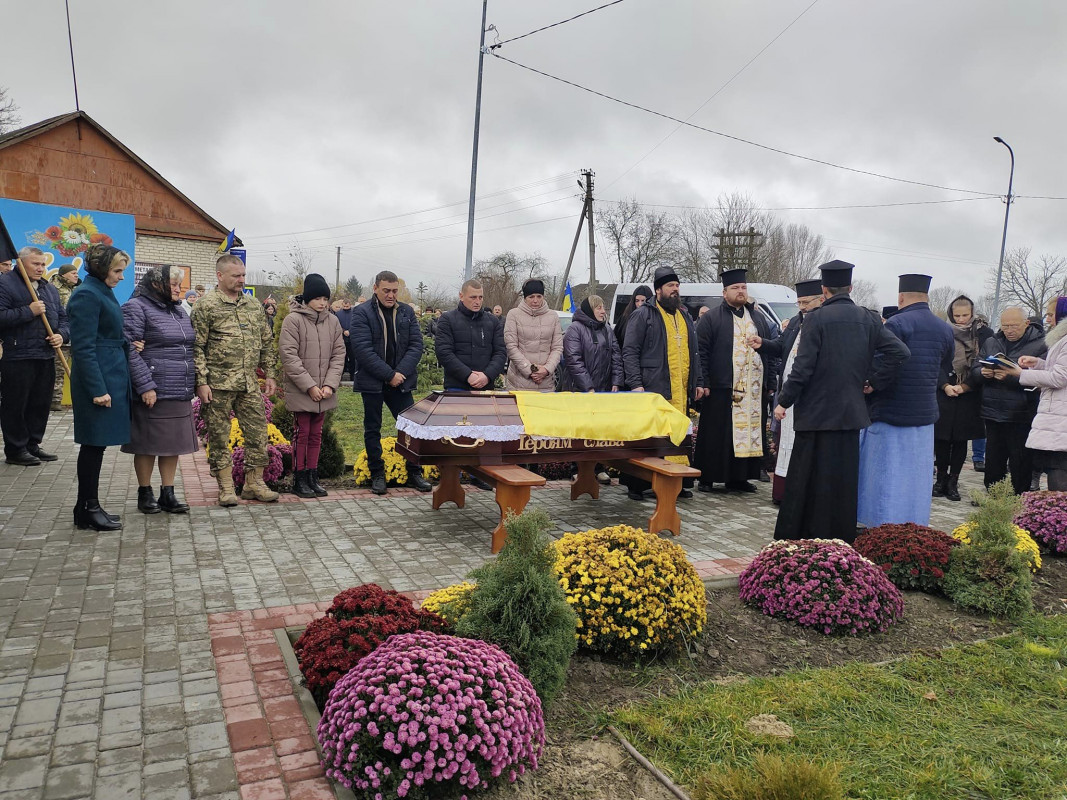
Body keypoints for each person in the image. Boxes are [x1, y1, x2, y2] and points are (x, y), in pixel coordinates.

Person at [773, 261, 909, 542]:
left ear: (824, 290)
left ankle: (799, 534)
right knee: (841, 479)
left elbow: (803, 367)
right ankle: (839, 535)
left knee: (806, 477)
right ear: (850, 287)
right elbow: (900, 352)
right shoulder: (869, 319)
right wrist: (872, 380)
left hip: (815, 414)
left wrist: (784, 401)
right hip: (849, 413)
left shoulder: (815, 319)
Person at [857, 274, 953, 528]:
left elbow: (882, 362)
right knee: (916, 477)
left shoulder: (897, 324)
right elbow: (945, 364)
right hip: (924, 415)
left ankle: (879, 527)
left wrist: (872, 384)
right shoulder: (944, 328)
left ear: (900, 297)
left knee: (885, 475)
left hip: (891, 412)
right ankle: (915, 524)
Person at [191, 254, 279, 506]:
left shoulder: (253, 306)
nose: (241, 280)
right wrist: (202, 381)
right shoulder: (206, 306)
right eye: (236, 276)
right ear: (220, 276)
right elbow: (196, 346)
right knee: (219, 436)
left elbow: (265, 342)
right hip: (217, 385)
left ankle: (254, 483)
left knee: (258, 433)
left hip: (249, 384)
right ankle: (226, 487)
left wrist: (270, 373)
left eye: (243, 275)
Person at [621, 266, 708, 501]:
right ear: (658, 290)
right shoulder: (644, 314)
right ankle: (640, 484)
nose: (675, 290)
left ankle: (676, 482)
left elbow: (694, 352)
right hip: (652, 388)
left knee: (678, 433)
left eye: (677, 286)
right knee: (650, 438)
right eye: (670, 286)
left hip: (679, 389)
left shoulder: (684, 316)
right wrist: (635, 383)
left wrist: (698, 381)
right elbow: (629, 351)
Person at [121, 265, 198, 514]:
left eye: (179, 285)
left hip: (179, 387)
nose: (178, 290)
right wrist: (145, 385)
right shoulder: (136, 307)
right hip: (153, 388)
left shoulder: (178, 310)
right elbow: (128, 349)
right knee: (147, 444)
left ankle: (168, 493)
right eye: (174, 285)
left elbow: (188, 346)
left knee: (171, 444)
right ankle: (145, 492)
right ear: (158, 285)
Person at [694, 268, 777, 493]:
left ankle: (739, 478)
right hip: (722, 388)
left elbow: (768, 351)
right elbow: (701, 352)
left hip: (753, 389)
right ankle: (708, 477)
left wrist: (770, 383)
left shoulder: (758, 317)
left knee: (749, 432)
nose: (740, 292)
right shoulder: (711, 318)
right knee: (717, 434)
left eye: (743, 287)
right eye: (735, 288)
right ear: (724, 292)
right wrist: (704, 382)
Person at [67, 244, 132, 531]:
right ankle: (87, 508)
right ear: (100, 267)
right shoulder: (86, 295)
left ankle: (86, 506)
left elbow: (108, 333)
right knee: (93, 444)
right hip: (99, 379)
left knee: (98, 443)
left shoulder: (100, 291)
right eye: (117, 270)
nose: (120, 277)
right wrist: (97, 388)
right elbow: (82, 347)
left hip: (111, 374)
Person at [352, 270, 433, 496]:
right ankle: (377, 474)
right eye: (386, 290)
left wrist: (400, 373)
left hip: (401, 382)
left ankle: (414, 471)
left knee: (411, 427)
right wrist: (389, 375)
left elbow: (416, 345)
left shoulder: (406, 312)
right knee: (372, 428)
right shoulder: (361, 313)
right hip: (373, 382)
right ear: (375, 288)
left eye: (395, 291)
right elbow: (362, 350)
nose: (391, 295)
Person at [0, 246, 69, 465]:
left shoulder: (49, 289)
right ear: (21, 263)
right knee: (16, 404)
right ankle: (16, 449)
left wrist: (61, 335)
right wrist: (29, 311)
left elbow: (64, 319)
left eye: (43, 264)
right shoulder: (5, 284)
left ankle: (32, 444)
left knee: (40, 404)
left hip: (45, 354)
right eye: (36, 264)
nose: (41, 268)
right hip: (17, 354)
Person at [279, 274, 346, 498]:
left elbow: (338, 355)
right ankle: (299, 478)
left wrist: (329, 385)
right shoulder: (293, 320)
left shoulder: (333, 321)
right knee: (302, 433)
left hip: (324, 390)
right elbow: (289, 356)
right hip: (302, 389)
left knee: (316, 435)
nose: (322, 303)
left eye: (325, 298)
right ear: (307, 299)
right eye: (317, 298)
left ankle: (312, 476)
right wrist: (309, 386)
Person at [758, 278, 823, 504]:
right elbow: (781, 346)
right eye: (799, 302)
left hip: (809, 396)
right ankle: (783, 494)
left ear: (821, 299)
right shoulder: (796, 322)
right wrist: (762, 343)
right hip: (788, 393)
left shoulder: (822, 322)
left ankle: (799, 495)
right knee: (784, 441)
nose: (802, 307)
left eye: (806, 302)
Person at [970, 307, 1046, 495]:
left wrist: (1010, 376)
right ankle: (994, 497)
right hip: (993, 411)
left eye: (1014, 326)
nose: (1009, 330)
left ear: (1026, 324)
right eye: (1005, 326)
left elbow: (1043, 378)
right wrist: (983, 373)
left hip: (1021, 413)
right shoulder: (991, 341)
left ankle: (1019, 498)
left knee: (1020, 461)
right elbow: (975, 368)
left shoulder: (1042, 344)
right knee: (994, 460)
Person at [933, 295, 994, 501]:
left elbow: (985, 363)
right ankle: (940, 478)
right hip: (945, 389)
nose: (961, 319)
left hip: (970, 392)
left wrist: (965, 386)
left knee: (960, 440)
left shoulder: (984, 333)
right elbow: (936, 361)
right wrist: (945, 385)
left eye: (965, 315)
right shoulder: (942, 331)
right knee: (941, 438)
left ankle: (953, 481)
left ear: (972, 313)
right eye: (957, 315)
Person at [1015, 296, 1067, 490]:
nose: (1047, 319)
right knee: (1055, 468)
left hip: (1061, 420)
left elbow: (1059, 378)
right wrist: (1038, 364)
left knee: (1059, 473)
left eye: (1050, 314)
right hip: (1058, 419)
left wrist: (1021, 374)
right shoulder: (1061, 340)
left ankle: (1059, 518)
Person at [435, 279, 507, 392]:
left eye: (480, 297)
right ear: (461, 296)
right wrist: (468, 375)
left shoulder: (493, 321)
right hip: (456, 386)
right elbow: (444, 352)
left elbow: (500, 352)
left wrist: (487, 376)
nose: (477, 301)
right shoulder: (447, 319)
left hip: (486, 387)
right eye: (473, 297)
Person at [503, 279, 564, 392]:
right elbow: (511, 347)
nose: (535, 300)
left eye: (539, 296)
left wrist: (546, 369)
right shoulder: (513, 315)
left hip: (546, 383)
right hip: (519, 383)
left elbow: (557, 347)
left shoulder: (553, 316)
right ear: (525, 297)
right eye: (531, 297)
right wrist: (530, 370)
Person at [562, 295, 622, 394]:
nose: (603, 311)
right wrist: (588, 387)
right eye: (599, 308)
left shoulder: (607, 329)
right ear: (590, 310)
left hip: (604, 391)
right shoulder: (575, 329)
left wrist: (616, 382)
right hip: (579, 391)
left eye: (603, 307)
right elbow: (574, 361)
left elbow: (616, 357)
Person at [49, 264, 80, 410]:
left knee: (81, 369)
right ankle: (54, 401)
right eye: (73, 273)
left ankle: (80, 400)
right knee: (58, 370)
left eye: (77, 273)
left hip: (78, 336)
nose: (76, 275)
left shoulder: (78, 290)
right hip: (61, 336)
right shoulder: (53, 289)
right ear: (64, 274)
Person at [615, 285, 652, 349]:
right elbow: (616, 340)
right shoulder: (625, 318)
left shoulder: (655, 318)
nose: (640, 304)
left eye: (643, 300)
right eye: (637, 301)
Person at [334, 297, 355, 380]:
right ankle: (340, 376)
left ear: (350, 305)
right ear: (342, 305)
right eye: (344, 306)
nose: (346, 308)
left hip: (352, 338)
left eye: (347, 306)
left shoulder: (354, 313)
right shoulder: (338, 314)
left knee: (353, 358)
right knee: (342, 357)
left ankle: (353, 376)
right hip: (341, 338)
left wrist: (350, 331)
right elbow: (336, 325)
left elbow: (356, 323)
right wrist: (343, 331)